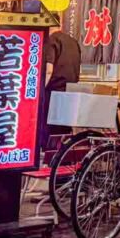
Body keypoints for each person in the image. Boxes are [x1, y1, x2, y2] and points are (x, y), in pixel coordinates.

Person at [40, 24, 81, 152]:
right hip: (71, 91)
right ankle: (64, 159)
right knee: (64, 130)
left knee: (50, 129)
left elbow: (48, 70)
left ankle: (50, 161)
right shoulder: (73, 42)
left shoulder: (51, 40)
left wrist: (41, 90)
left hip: (54, 92)